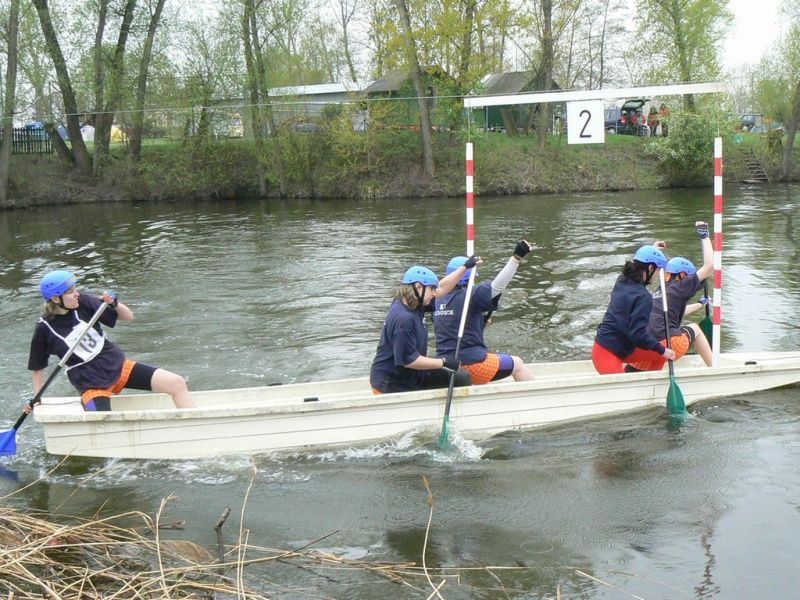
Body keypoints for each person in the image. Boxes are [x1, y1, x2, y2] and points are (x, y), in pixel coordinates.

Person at [26, 270, 194, 412]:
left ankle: (195, 426)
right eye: (70, 292)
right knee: (103, 420)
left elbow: (128, 317)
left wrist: (115, 304)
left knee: (177, 383)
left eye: (75, 289)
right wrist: (37, 398)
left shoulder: (83, 302)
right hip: (91, 383)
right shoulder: (44, 328)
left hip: (117, 366)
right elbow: (37, 367)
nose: (76, 293)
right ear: (56, 299)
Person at [433, 240, 535, 384]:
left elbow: (452, 325)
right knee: (517, 364)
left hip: (445, 364)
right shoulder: (469, 295)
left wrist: (479, 325)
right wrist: (515, 259)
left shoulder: (436, 300)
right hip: (471, 365)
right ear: (468, 277)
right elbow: (498, 286)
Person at [370, 262, 475, 394]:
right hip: (393, 384)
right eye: (431, 288)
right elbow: (409, 360)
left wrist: (464, 268)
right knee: (460, 377)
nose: (434, 293)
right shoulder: (403, 319)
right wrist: (444, 362)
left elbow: (442, 288)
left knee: (461, 376)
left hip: (410, 375)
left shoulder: (412, 302)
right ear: (418, 287)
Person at [628, 221, 714, 370]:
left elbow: (675, 313)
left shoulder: (659, 290)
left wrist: (700, 304)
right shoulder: (681, 285)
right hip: (669, 344)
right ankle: (714, 368)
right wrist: (704, 236)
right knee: (695, 328)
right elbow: (709, 266)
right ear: (682, 275)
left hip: (645, 347)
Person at [592, 244, 676, 374]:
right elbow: (637, 335)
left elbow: (638, 263)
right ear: (650, 268)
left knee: (660, 351)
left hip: (624, 347)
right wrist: (663, 351)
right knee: (662, 350)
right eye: (659, 270)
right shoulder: (644, 297)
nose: (657, 275)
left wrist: (651, 250)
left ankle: (650, 383)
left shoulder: (621, 280)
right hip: (606, 350)